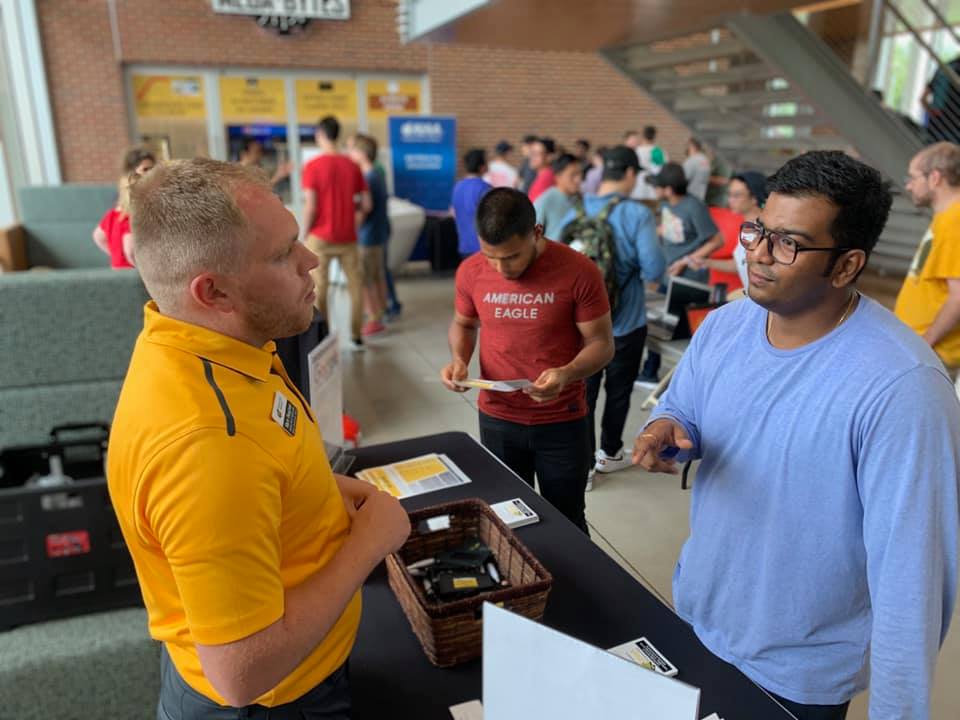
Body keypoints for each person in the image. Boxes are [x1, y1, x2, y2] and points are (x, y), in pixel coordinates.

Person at [632, 150, 960, 720]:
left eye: (788, 243)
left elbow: (912, 578)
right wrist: (669, 424)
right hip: (698, 616)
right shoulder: (728, 326)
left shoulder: (901, 388)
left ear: (845, 264)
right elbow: (685, 402)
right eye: (758, 230)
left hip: (800, 673)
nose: (756, 254)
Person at [110, 158, 410, 719]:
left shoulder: (198, 345)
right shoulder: (209, 448)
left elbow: (265, 462)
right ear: (215, 293)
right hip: (276, 701)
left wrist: (317, 487)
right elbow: (239, 674)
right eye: (281, 254)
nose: (311, 261)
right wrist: (369, 541)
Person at [440, 188, 615, 532]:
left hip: (562, 422)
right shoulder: (471, 271)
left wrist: (567, 372)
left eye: (512, 256)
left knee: (566, 520)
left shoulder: (579, 271)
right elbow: (463, 324)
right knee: (506, 520)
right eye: (490, 256)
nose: (500, 268)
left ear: (537, 233)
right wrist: (459, 359)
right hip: (498, 418)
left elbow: (602, 343)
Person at [568, 146, 665, 488]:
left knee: (584, 395)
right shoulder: (636, 214)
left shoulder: (575, 209)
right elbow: (654, 267)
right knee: (619, 392)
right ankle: (609, 454)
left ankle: (583, 467)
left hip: (581, 326)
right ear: (629, 174)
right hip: (626, 323)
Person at [638, 162, 721, 385]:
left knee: (684, 335)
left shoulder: (694, 207)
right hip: (668, 274)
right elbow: (669, 231)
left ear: (669, 187)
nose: (654, 190)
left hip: (689, 279)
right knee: (659, 327)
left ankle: (690, 381)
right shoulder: (666, 204)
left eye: (658, 186)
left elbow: (716, 240)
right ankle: (650, 372)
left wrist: (685, 261)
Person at [301, 115, 371, 350]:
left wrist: (305, 233)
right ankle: (357, 335)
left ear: (320, 134)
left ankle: (324, 335)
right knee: (355, 286)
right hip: (348, 237)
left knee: (320, 288)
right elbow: (366, 204)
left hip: (320, 237)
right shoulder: (352, 166)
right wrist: (354, 221)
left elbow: (311, 206)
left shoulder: (312, 167)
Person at [895, 142, 960, 379]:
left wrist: (925, 342)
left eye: (912, 177)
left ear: (934, 178)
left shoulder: (955, 222)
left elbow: (958, 296)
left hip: (931, 353)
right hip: (921, 348)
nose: (909, 185)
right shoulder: (946, 219)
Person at [689, 171, 768, 291]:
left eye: (736, 195)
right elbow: (740, 264)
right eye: (729, 194)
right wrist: (706, 262)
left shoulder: (767, 231)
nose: (730, 200)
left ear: (754, 198)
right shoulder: (747, 228)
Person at [347, 133, 390, 337]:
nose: (350, 154)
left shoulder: (368, 178)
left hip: (368, 236)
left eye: (353, 150)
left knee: (366, 279)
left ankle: (374, 318)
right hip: (378, 233)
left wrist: (351, 228)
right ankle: (381, 311)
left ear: (362, 153)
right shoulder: (377, 174)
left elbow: (365, 208)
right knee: (377, 275)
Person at [92, 147, 155, 269]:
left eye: (153, 169)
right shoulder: (134, 215)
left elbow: (98, 237)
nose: (150, 174)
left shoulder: (113, 214)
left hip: (117, 270)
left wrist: (116, 257)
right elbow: (130, 250)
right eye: (145, 169)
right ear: (132, 175)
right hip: (132, 273)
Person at [451, 149, 493, 258]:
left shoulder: (457, 187)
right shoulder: (485, 188)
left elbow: (453, 213)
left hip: (464, 246)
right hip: (482, 248)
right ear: (481, 167)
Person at [533, 153, 582, 238]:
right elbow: (532, 238)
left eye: (580, 174)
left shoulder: (580, 199)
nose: (578, 180)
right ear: (558, 176)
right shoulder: (545, 201)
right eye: (573, 175)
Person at [921, 55, 960, 144]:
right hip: (955, 130)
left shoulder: (945, 67)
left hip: (935, 126)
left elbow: (923, 98)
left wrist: (931, 111)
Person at [632, 125, 668, 202]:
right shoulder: (658, 152)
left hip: (637, 191)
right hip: (654, 192)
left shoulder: (635, 152)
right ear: (655, 136)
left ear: (642, 136)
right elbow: (663, 172)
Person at [526, 137, 557, 202]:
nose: (532, 157)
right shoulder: (542, 175)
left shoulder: (547, 177)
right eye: (531, 153)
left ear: (549, 157)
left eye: (536, 154)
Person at [682, 137, 711, 202]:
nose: (686, 148)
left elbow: (682, 181)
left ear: (692, 146)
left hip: (689, 199)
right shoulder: (705, 160)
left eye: (687, 145)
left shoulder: (691, 161)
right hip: (701, 198)